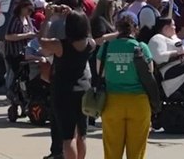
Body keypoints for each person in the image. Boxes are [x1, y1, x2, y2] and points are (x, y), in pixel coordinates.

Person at [40, 10, 94, 159]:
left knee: (68, 137)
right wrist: (76, 15)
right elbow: (89, 35)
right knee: (82, 134)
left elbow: (41, 40)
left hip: (63, 90)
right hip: (83, 89)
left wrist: (48, 18)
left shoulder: (60, 45)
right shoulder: (90, 43)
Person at [98, 13, 153, 159]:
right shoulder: (142, 47)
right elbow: (150, 73)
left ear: (116, 27)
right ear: (136, 28)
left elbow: (101, 72)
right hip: (138, 101)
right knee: (137, 151)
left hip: (112, 101)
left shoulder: (106, 47)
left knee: (112, 150)